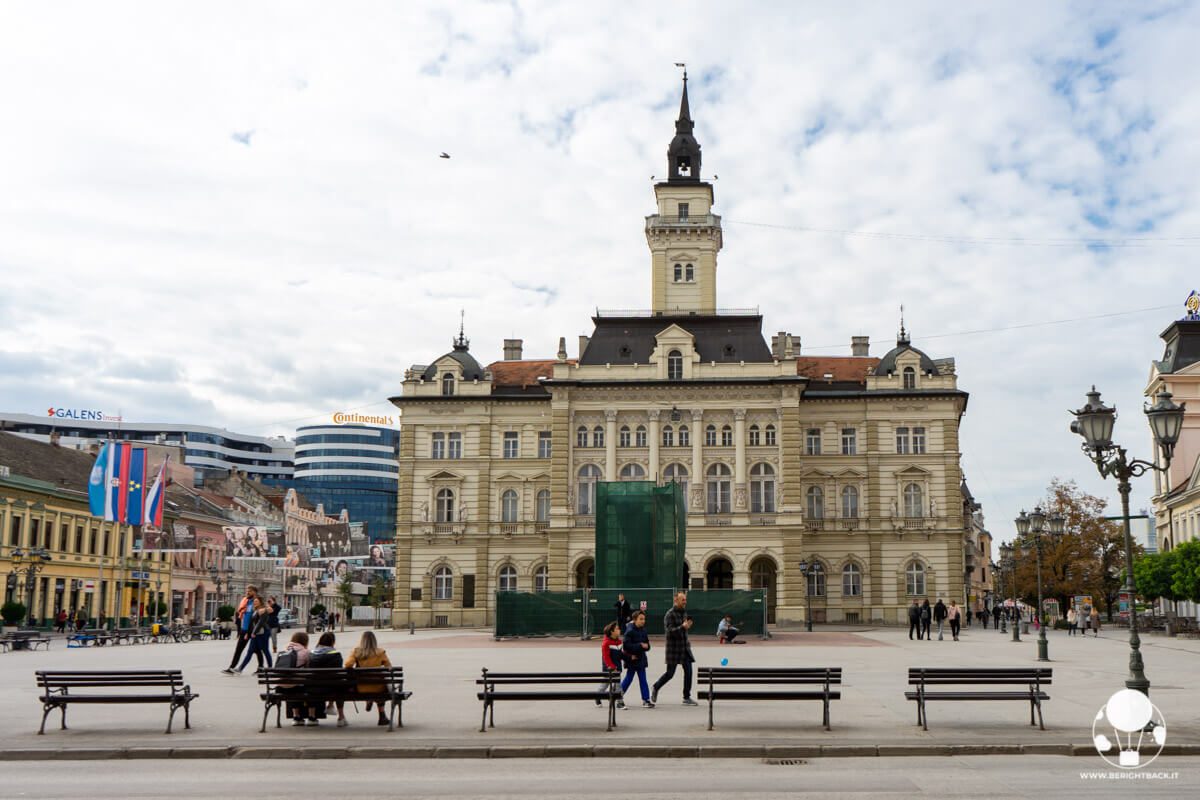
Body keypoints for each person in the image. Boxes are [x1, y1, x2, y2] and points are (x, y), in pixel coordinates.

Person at [651, 592, 697, 706]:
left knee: (689, 672)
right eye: (683, 600)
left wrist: (687, 625)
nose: (685, 602)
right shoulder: (669, 614)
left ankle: (686, 697)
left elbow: (683, 629)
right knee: (670, 674)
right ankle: (656, 687)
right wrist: (683, 627)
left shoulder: (684, 613)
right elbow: (669, 632)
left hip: (684, 647)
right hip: (674, 649)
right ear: (676, 600)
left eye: (685, 600)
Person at [345, 631, 393, 726]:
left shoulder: (356, 651)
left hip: (361, 688)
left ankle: (369, 700)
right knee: (382, 686)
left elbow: (347, 664)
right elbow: (389, 667)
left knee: (369, 683)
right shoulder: (380, 652)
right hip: (377, 688)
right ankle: (382, 716)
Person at [309, 632, 345, 726]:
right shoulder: (336, 655)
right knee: (339, 685)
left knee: (312, 683)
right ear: (333, 642)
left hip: (314, 688)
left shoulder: (311, 655)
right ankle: (341, 717)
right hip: (333, 688)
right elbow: (339, 672)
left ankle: (311, 716)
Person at [222, 586, 258, 674]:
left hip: (251, 630)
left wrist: (250, 631)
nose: (247, 593)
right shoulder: (246, 601)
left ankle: (260, 667)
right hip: (244, 629)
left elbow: (254, 619)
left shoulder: (256, 603)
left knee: (257, 650)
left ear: (254, 592)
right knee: (240, 649)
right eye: (247, 591)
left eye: (249, 591)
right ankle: (232, 667)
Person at [277, 631, 311, 725]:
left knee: (292, 685)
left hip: (280, 687)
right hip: (298, 686)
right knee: (303, 685)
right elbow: (309, 669)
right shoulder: (306, 652)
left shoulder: (284, 651)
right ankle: (311, 716)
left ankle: (296, 716)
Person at [621, 610, 653, 707]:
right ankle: (617, 695)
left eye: (644, 619)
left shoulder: (643, 630)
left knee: (643, 679)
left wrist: (647, 646)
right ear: (634, 620)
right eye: (641, 619)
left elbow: (647, 644)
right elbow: (626, 646)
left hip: (641, 660)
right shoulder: (630, 631)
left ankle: (646, 699)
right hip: (632, 659)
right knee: (628, 678)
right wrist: (640, 646)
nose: (643, 621)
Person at [234, 596, 273, 674]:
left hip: (263, 633)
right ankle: (240, 669)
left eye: (256, 601)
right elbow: (252, 624)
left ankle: (270, 668)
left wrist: (253, 633)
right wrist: (248, 633)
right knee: (250, 651)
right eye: (254, 602)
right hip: (255, 633)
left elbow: (260, 623)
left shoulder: (262, 611)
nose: (255, 603)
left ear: (260, 602)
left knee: (265, 650)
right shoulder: (255, 610)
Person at [597, 621, 626, 710]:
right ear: (612, 632)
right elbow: (606, 658)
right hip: (609, 669)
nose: (619, 630)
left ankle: (619, 702)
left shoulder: (620, 642)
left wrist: (628, 658)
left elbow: (621, 654)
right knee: (605, 685)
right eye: (617, 629)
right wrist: (612, 668)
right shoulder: (606, 643)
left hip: (617, 668)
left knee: (617, 685)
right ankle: (598, 696)